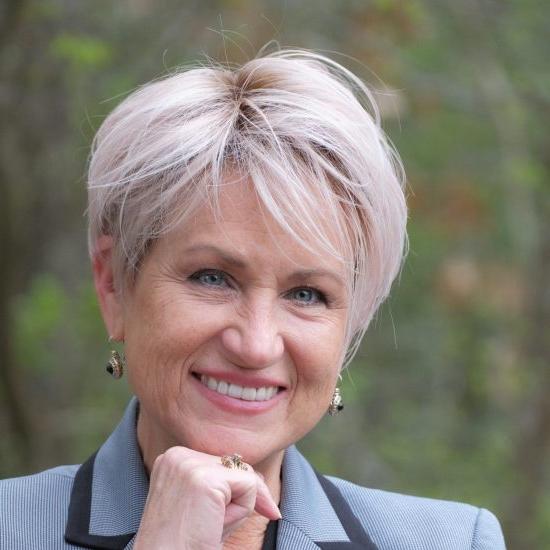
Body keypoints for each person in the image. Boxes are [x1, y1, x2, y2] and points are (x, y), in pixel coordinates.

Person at [0, 49, 506, 550]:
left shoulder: (456, 540)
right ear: (113, 285)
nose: (257, 345)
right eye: (213, 278)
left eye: (307, 294)